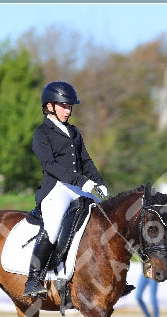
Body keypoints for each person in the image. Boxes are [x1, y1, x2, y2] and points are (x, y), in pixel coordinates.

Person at [24, 80, 108, 297]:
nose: (68, 110)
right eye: (64, 106)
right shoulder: (41, 133)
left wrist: (99, 183)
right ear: (50, 106)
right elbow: (50, 166)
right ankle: (33, 280)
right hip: (57, 188)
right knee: (52, 229)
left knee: (105, 219)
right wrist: (82, 182)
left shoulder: (74, 131)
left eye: (70, 107)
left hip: (79, 187)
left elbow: (86, 160)